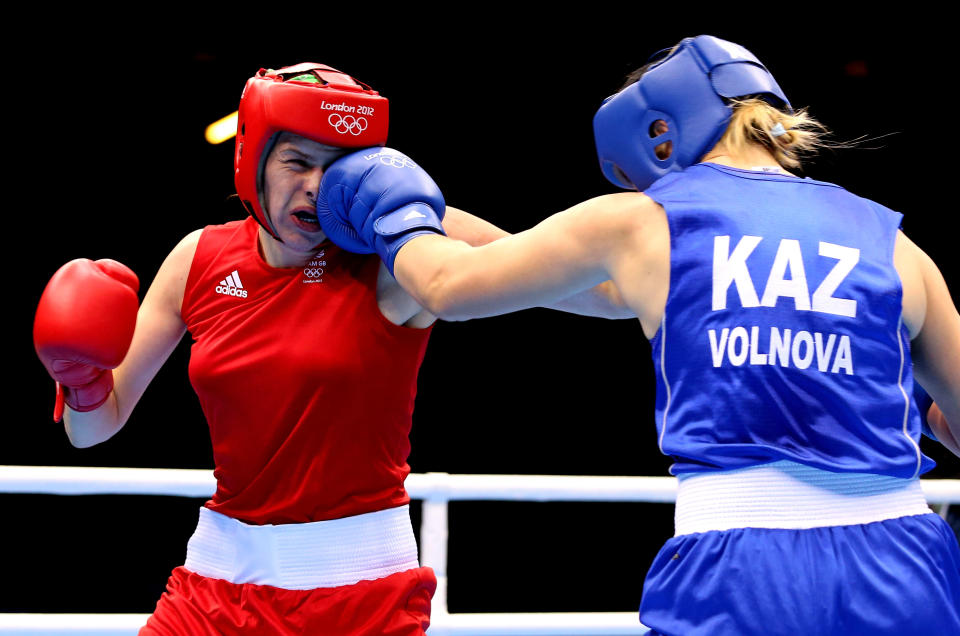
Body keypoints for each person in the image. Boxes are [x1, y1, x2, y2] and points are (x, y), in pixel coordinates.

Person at [314, 36, 960, 634]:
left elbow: (448, 288)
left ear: (660, 130)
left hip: (745, 564)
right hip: (902, 559)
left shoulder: (643, 223)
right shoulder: (895, 245)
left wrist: (391, 208)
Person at [32, 62, 624, 635]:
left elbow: (582, 284)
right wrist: (81, 377)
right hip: (216, 581)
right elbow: (94, 430)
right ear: (254, 160)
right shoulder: (198, 259)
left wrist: (660, 264)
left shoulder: (394, 250)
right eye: (298, 162)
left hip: (358, 590)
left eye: (339, 165)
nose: (318, 185)